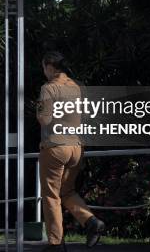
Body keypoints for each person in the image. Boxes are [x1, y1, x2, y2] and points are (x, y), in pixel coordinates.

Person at [36, 51, 105, 251]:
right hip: (76, 147)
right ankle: (92, 222)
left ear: (50, 67)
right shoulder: (76, 86)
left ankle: (56, 243)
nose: (43, 71)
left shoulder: (49, 88)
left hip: (56, 147)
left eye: (44, 67)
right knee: (66, 191)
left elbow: (44, 119)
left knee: (51, 196)